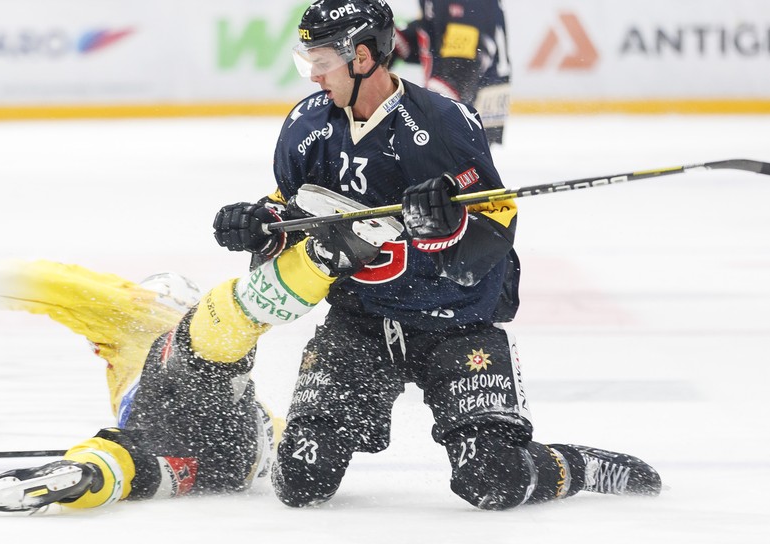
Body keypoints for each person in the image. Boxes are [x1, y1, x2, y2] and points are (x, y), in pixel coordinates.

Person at [212, 0, 661, 511]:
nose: (313, 75)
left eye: (322, 61)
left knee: (495, 479)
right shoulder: (305, 126)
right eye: (307, 60)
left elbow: (495, 229)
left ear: (361, 58)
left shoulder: (444, 124)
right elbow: (294, 214)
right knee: (300, 481)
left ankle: (575, 466)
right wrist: (260, 228)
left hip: (456, 322)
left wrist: (446, 228)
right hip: (361, 321)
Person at [0, 186, 402, 513]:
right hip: (236, 457)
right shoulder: (173, 326)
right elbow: (266, 425)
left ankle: (92, 471)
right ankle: (98, 468)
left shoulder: (136, 316)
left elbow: (60, 286)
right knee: (157, 445)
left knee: (133, 456)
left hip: (168, 418)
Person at [391, 0, 512, 144]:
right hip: (472, 103)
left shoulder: (465, 4)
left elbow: (462, 66)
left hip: (468, 107)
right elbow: (435, 36)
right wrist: (384, 41)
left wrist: (416, 113)